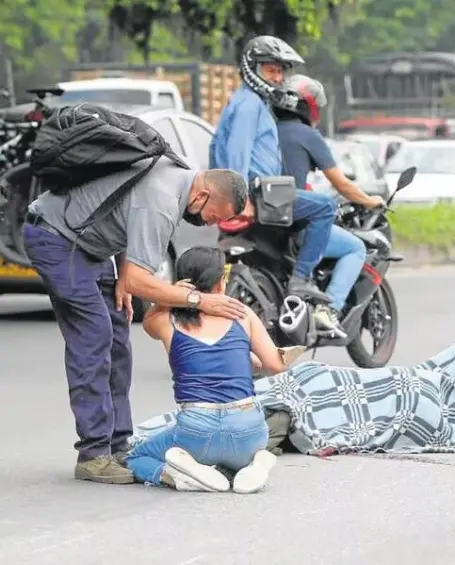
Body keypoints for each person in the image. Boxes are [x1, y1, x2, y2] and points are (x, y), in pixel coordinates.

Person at [23, 161, 249, 485]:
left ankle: (117, 445)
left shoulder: (177, 184)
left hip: (92, 243)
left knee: (118, 338)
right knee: (94, 336)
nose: (210, 223)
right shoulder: (164, 200)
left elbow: (128, 224)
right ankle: (93, 455)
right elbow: (141, 281)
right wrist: (198, 299)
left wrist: (125, 276)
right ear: (202, 194)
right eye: (214, 215)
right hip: (56, 238)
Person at [126, 246, 284, 493]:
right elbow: (275, 365)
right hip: (249, 430)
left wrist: (172, 295)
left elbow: (146, 322)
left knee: (135, 458)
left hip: (197, 433)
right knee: (245, 442)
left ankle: (178, 476)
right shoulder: (242, 313)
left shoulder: (166, 321)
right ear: (220, 283)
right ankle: (255, 463)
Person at [209, 34, 335, 305]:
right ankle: (302, 279)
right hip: (258, 193)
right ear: (252, 69)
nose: (278, 78)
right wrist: (239, 200)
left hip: (261, 190)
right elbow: (236, 152)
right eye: (271, 70)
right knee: (324, 207)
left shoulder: (253, 101)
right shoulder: (249, 104)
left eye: (280, 71)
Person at [273, 74, 386, 336]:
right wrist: (371, 201)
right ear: (308, 106)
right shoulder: (307, 135)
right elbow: (341, 184)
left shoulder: (268, 129)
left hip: (266, 213)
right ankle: (329, 310)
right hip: (295, 218)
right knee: (355, 248)